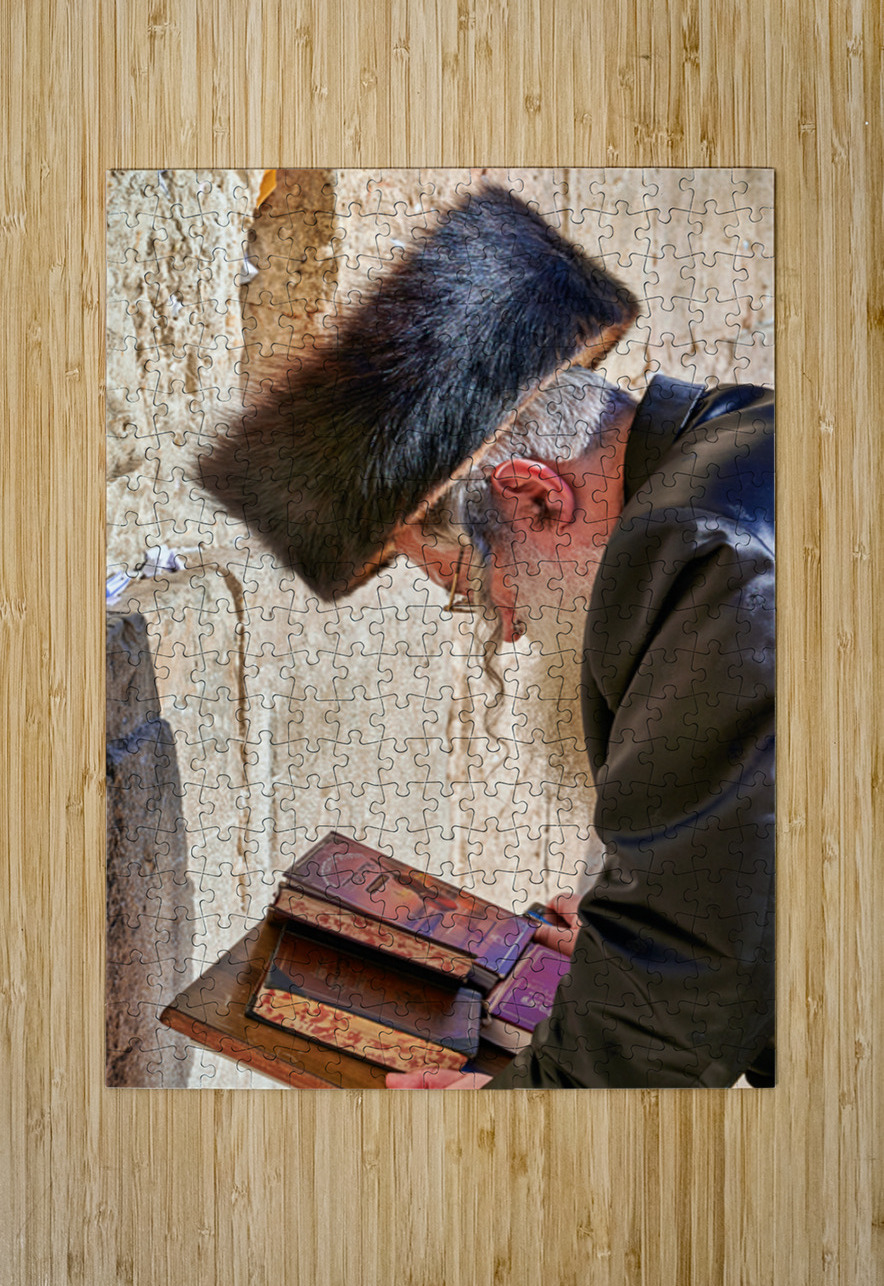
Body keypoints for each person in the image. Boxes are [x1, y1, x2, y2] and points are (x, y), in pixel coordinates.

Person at [202, 184, 774, 1089]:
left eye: (475, 585)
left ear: (536, 495)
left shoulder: (705, 554)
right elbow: (753, 874)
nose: (505, 629)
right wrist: (639, 919)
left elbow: (693, 972)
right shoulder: (741, 439)